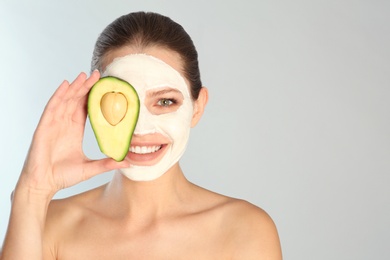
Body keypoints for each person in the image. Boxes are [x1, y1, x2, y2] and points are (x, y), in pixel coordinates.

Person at [0, 11, 282, 259]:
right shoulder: (49, 224)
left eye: (165, 101)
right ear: (90, 106)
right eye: (117, 101)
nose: (140, 128)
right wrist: (32, 192)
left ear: (198, 108)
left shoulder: (245, 230)